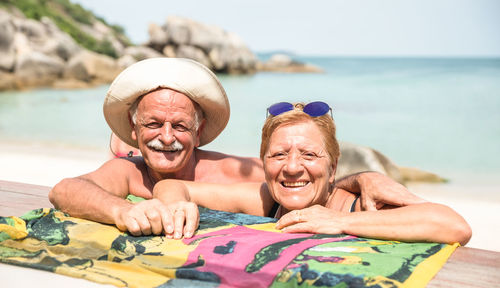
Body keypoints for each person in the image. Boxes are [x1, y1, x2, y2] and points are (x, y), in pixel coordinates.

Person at [49, 58, 423, 236]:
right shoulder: (128, 171)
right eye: (152, 124)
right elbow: (65, 190)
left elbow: (297, 179)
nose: (166, 136)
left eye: (179, 126)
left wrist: (364, 178)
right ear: (134, 129)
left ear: (199, 132)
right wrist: (119, 210)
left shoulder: (231, 172)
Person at [152, 101, 472, 245]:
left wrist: (340, 222)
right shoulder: (266, 199)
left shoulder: (357, 206)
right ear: (263, 164)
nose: (292, 168)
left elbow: (454, 225)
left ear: (332, 167)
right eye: (278, 155)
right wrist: (176, 203)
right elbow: (175, 188)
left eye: (309, 155)